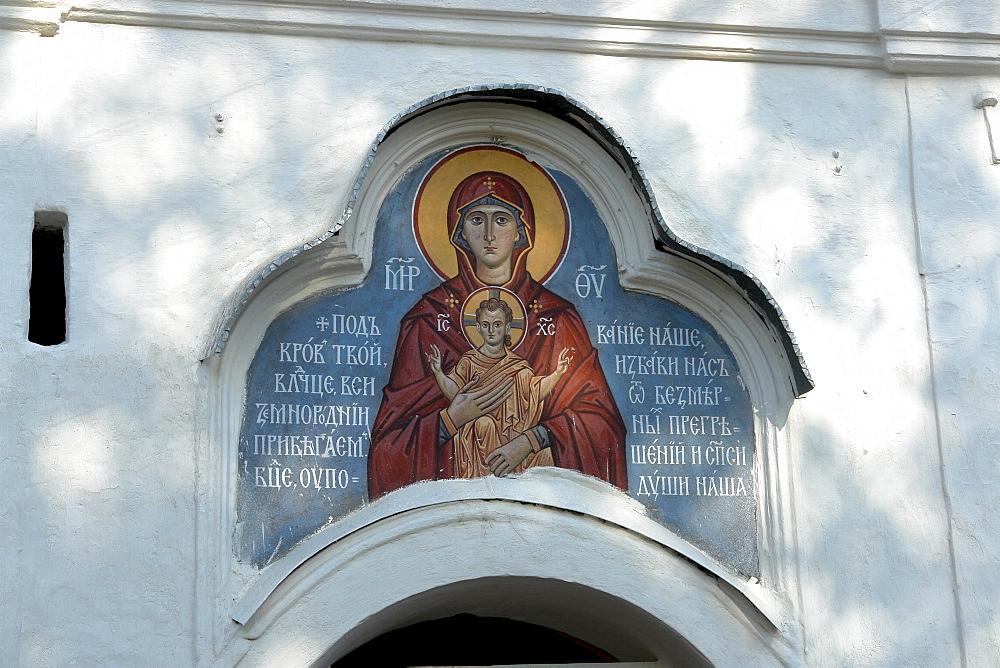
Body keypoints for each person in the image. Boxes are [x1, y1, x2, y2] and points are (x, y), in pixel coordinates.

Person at [368, 169, 627, 499]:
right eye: (476, 219)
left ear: (522, 232)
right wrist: (449, 421)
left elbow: (600, 426)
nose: (489, 233)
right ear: (459, 232)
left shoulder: (558, 319)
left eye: (502, 219)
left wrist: (533, 439)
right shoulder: (428, 320)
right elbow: (387, 450)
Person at [427, 296, 572, 478]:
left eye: (497, 324)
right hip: (477, 432)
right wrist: (438, 372)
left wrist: (558, 373)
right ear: (478, 328)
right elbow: (456, 395)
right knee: (484, 424)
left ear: (507, 328)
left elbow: (533, 393)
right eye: (486, 325)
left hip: (513, 431)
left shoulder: (518, 365)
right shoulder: (469, 362)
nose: (491, 330)